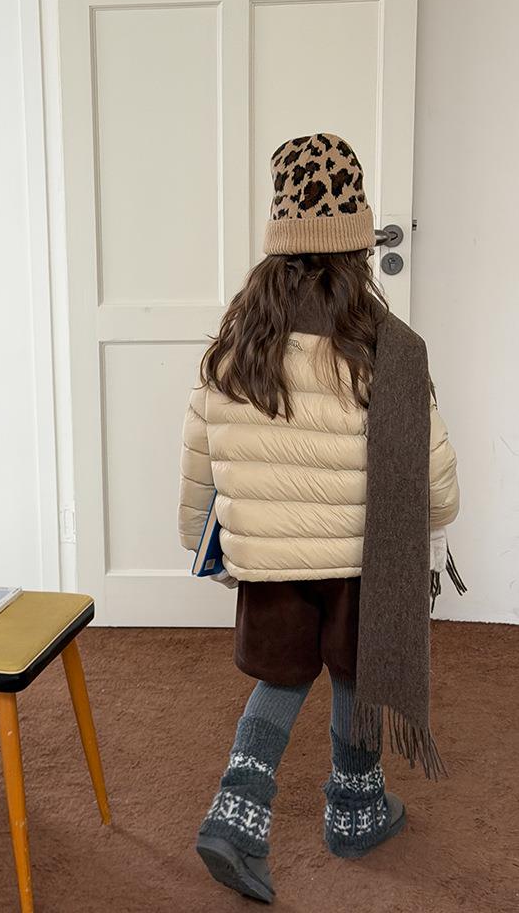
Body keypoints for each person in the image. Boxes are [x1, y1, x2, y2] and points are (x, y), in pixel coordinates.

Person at [177, 133, 460, 904]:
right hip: (360, 558)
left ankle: (235, 816)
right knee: (356, 671)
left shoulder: (235, 347)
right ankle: (356, 809)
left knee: (282, 674)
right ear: (359, 246)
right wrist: (434, 525)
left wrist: (204, 539)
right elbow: (434, 480)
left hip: (268, 559)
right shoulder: (388, 351)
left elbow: (200, 459)